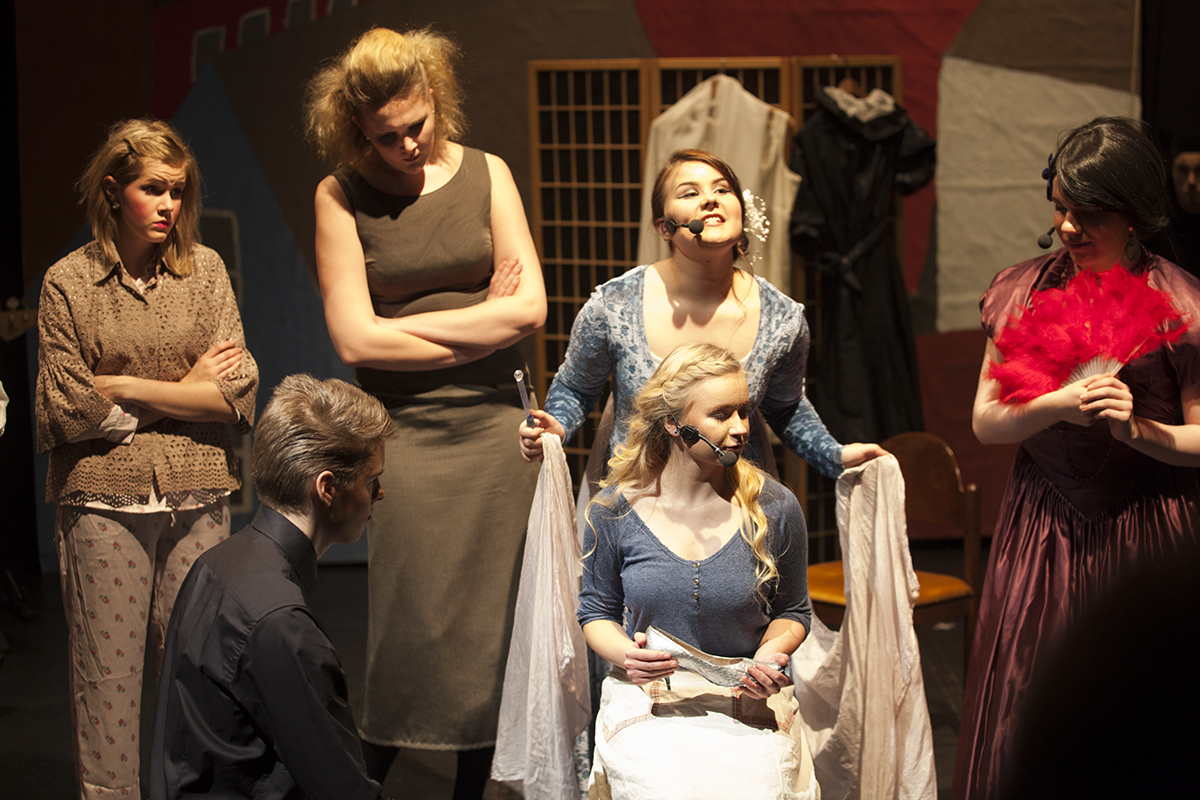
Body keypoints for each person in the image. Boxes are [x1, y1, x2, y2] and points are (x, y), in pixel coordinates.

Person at [304, 27, 545, 798]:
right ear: (357, 129)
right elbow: (353, 339)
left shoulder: (488, 171)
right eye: (387, 136)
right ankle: (366, 779)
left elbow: (531, 310)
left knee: (492, 628)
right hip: (404, 431)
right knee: (409, 626)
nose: (408, 144)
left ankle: (472, 785)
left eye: (417, 124)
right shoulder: (340, 195)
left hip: (496, 429)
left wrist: (400, 328)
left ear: (434, 96)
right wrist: (479, 321)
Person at [954, 117, 1200, 800]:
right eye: (1060, 208)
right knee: (1029, 694)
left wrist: (1138, 432)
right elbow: (986, 424)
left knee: (1139, 708)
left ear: (1134, 213)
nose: (1067, 227)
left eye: (1088, 214)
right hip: (1042, 526)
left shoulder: (1181, 302)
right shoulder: (1021, 292)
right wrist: (1057, 406)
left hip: (1146, 524)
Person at [35, 118, 258, 799]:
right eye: (153, 189)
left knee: (199, 676)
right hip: (103, 502)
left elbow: (237, 393)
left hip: (198, 493)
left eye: (177, 191)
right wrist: (187, 390)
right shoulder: (68, 283)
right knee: (109, 683)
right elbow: (69, 410)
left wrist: (126, 387)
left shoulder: (205, 271)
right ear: (113, 190)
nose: (168, 205)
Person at [518, 149, 884, 478]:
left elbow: (785, 407)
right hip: (637, 500)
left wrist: (834, 455)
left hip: (737, 501)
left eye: (722, 190)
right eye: (689, 193)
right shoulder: (614, 304)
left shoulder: (783, 318)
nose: (710, 199)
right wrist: (557, 427)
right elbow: (577, 388)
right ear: (664, 227)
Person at [578, 343, 819, 799]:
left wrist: (770, 655)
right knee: (660, 788)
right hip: (654, 699)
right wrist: (628, 655)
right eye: (721, 414)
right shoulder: (614, 511)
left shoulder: (774, 507)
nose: (740, 428)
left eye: (743, 411)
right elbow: (596, 612)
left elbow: (794, 611)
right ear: (674, 423)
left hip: (744, 696)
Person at [150, 375, 395, 800]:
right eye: (371, 480)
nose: (381, 493)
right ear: (327, 488)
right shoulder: (281, 624)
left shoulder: (215, 564)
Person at [1146, 133, 1200, 276]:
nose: (1191, 180)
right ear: (1172, 172)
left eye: (1199, 171)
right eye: (1183, 170)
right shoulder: (1156, 225)